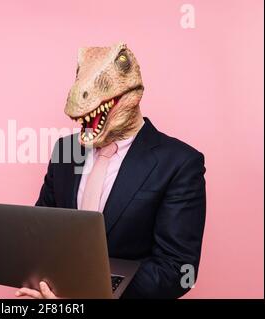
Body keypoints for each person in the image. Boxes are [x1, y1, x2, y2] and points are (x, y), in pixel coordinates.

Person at [15, 43, 206, 299]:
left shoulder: (180, 163)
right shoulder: (66, 149)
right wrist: (43, 284)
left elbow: (178, 270)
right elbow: (43, 232)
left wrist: (92, 291)